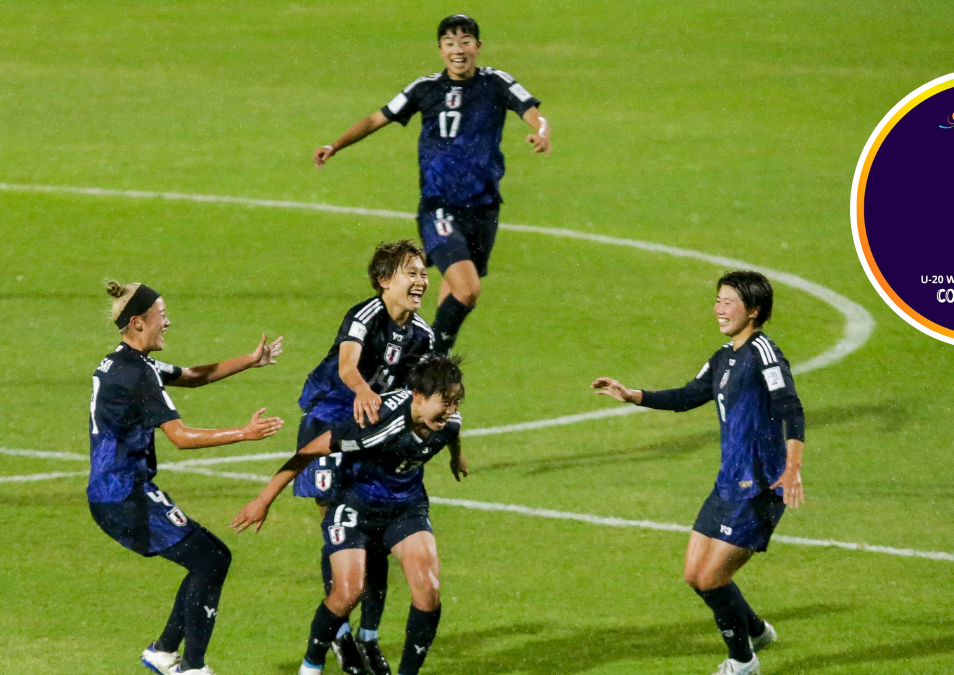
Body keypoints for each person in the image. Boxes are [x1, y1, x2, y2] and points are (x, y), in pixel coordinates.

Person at [591, 271, 805, 675]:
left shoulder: (765, 354)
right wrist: (631, 394)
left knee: (710, 579)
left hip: (760, 487)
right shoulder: (724, 357)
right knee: (694, 575)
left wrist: (792, 469)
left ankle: (743, 662)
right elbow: (689, 395)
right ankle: (756, 631)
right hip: (727, 483)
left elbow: (791, 409)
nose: (718, 309)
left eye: (728, 302)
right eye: (718, 300)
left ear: (753, 311)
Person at [312, 14, 551, 355]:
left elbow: (533, 112)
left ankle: (419, 359)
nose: (458, 50)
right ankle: (430, 358)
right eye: (450, 43)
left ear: (478, 47)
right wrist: (335, 145)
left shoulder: (496, 83)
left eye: (465, 42)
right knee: (468, 290)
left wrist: (541, 133)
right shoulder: (425, 89)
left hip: (484, 206)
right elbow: (376, 119)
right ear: (440, 49)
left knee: (454, 294)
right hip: (439, 205)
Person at [89, 281, 285, 675]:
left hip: (122, 492)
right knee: (210, 561)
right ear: (139, 322)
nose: (169, 323)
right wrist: (243, 433)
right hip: (124, 497)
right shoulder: (137, 375)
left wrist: (250, 359)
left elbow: (193, 375)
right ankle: (191, 667)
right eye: (162, 316)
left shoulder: (124, 362)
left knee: (211, 559)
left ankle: (165, 653)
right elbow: (180, 437)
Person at [232, 355, 468, 675]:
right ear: (418, 396)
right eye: (446, 402)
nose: (452, 410)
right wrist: (263, 499)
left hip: (405, 508)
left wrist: (458, 458)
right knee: (347, 593)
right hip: (354, 504)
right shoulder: (375, 423)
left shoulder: (447, 421)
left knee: (428, 591)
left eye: (456, 401)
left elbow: (453, 432)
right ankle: (311, 664)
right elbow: (309, 452)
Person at [293, 240, 435, 675]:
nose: (421, 281)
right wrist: (363, 391)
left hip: (374, 431)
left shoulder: (423, 335)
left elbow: (427, 390)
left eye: (423, 273)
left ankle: (368, 637)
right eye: (411, 272)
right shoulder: (364, 315)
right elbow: (346, 365)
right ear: (384, 280)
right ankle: (338, 634)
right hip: (330, 420)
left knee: (372, 533)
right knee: (335, 527)